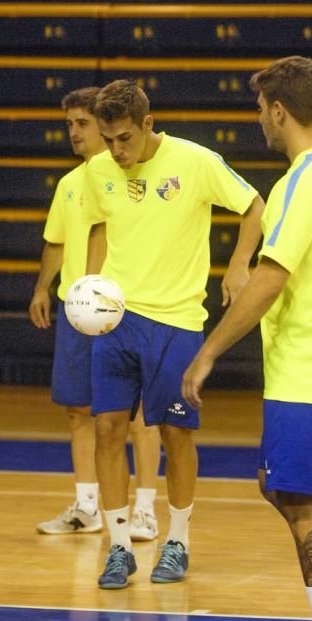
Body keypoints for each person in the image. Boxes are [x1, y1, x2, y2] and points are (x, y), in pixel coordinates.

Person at [182, 56, 312, 621]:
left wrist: (208, 351)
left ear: (280, 110)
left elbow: (272, 278)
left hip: (307, 371)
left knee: (304, 504)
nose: (259, 119)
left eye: (261, 109)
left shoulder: (298, 183)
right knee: (280, 487)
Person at [83, 79, 265, 589]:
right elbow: (101, 226)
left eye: (123, 138)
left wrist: (238, 265)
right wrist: (90, 287)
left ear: (147, 124)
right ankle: (119, 549)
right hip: (117, 321)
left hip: (178, 322)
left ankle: (177, 540)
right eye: (107, 138)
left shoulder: (195, 161)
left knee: (176, 434)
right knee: (106, 432)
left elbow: (255, 205)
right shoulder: (100, 170)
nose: (115, 149)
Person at [29, 86, 161, 541]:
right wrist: (43, 289)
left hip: (124, 310)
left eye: (82, 124)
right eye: (69, 125)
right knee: (78, 411)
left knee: (140, 415)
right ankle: (87, 506)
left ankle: (145, 509)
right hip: (76, 308)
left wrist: (99, 289)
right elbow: (56, 240)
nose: (74, 133)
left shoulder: (129, 177)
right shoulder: (70, 184)